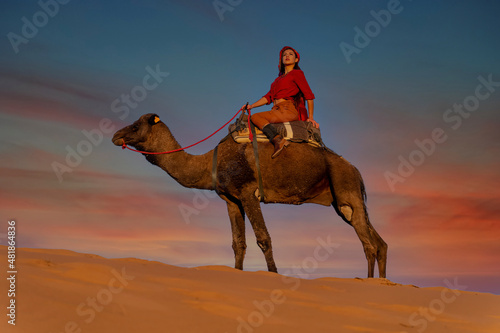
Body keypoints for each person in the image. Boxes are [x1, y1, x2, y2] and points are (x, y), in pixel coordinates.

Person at [244, 46, 317, 158]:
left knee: (255, 117)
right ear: (281, 60)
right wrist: (251, 106)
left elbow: (309, 95)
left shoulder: (297, 73)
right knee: (253, 117)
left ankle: (278, 140)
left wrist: (310, 117)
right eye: (284, 55)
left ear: (296, 60)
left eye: (290, 54)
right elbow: (268, 97)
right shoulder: (276, 81)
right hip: (276, 110)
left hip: (287, 110)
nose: (287, 56)